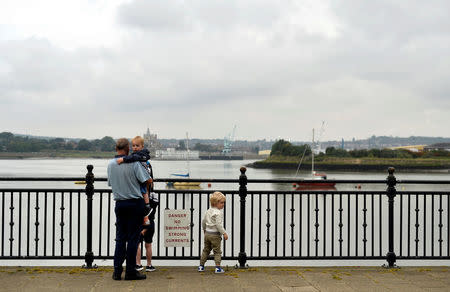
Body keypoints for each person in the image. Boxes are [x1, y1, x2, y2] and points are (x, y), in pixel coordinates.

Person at [107, 138, 152, 281]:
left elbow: (110, 183)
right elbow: (147, 180)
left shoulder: (111, 164)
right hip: (134, 203)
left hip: (119, 204)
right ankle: (131, 271)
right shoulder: (134, 162)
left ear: (116, 149)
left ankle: (117, 271)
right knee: (133, 239)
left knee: (120, 238)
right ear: (128, 149)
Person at [198, 192, 228, 274]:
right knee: (217, 251)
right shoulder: (218, 213)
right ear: (215, 203)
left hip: (207, 234)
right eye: (221, 203)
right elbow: (218, 225)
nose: (223, 204)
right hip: (215, 235)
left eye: (224, 203)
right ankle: (218, 268)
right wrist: (224, 233)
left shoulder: (208, 211)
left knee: (206, 250)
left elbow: (203, 221)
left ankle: (201, 266)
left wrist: (204, 229)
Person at [136, 192, 159, 272]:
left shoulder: (138, 193)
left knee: (137, 243)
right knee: (148, 244)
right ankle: (149, 265)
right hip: (150, 221)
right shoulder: (154, 195)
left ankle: (138, 264)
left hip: (140, 222)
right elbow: (154, 207)